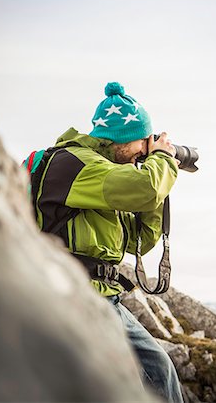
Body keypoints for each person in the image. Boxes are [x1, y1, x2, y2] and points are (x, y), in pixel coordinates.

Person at [35, 81, 184, 403]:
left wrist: (154, 185)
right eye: (142, 145)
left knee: (157, 371)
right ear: (122, 138)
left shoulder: (106, 174)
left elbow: (140, 242)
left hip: (103, 295)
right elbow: (145, 189)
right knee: (153, 372)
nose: (144, 152)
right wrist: (162, 162)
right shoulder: (76, 165)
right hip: (75, 293)